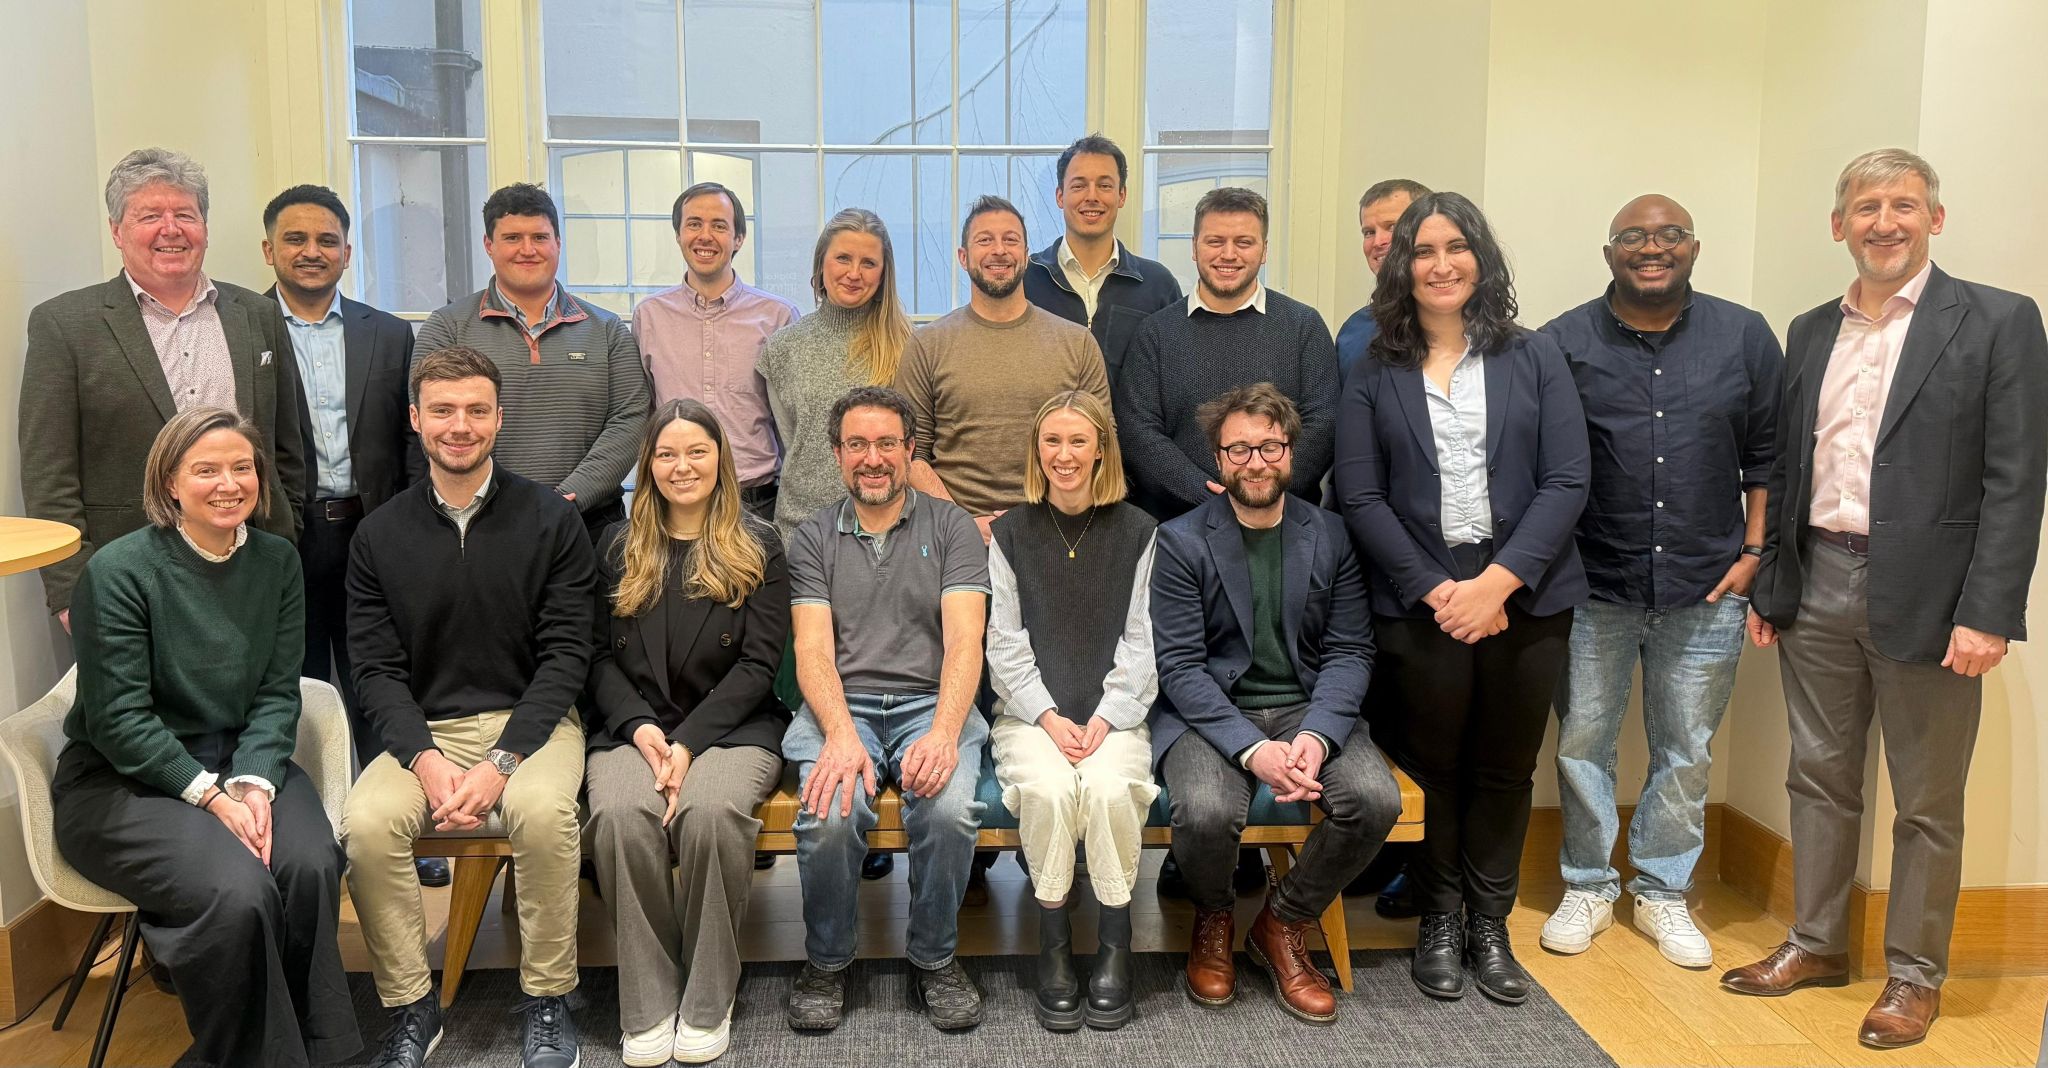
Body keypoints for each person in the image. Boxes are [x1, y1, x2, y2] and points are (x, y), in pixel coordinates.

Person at [1723, 149, 2048, 1050]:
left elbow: (2016, 481)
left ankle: (1914, 975)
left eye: (1905, 205)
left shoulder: (1997, 322)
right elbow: (1791, 465)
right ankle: (1819, 943)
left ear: (1935, 220)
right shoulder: (1809, 329)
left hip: (1937, 600)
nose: (1885, 222)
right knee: (1818, 776)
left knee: (1927, 802)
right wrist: (1777, 587)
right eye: (1866, 207)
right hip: (1818, 579)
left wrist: (1989, 610)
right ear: (1840, 226)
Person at [1333, 191, 1590, 1006]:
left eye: (1457, 247)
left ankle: (1491, 922)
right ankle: (1439, 920)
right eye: (1424, 249)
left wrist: (1498, 583)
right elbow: (1361, 495)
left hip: (1528, 592)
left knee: (1507, 768)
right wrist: (1441, 589)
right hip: (1421, 597)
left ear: (1482, 257)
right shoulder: (1375, 366)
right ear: (1401, 266)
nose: (1441, 264)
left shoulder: (1533, 355)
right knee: (1435, 767)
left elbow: (1567, 478)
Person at [52, 407, 358, 1068]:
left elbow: (281, 691)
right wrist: (212, 799)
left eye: (242, 467)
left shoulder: (276, 561)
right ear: (169, 484)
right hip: (121, 778)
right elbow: (117, 721)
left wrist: (250, 781)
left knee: (310, 864)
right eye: (206, 470)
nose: (229, 483)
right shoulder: (119, 571)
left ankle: (322, 1052)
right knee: (238, 890)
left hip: (240, 760)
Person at [1536, 194, 1783, 968]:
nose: (1653, 247)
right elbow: (1542, 466)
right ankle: (1586, 884)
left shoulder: (1743, 335)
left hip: (1707, 583)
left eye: (1669, 234)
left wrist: (1753, 551)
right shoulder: (1561, 343)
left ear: (1694, 248)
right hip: (1591, 584)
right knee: (1581, 743)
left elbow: (1769, 455)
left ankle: (1664, 893)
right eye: (1635, 237)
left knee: (1687, 749)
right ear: (1610, 253)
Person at [343, 346, 596, 1068]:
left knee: (544, 814)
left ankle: (547, 999)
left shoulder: (551, 520)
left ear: (499, 419)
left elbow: (566, 660)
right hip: (425, 732)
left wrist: (501, 763)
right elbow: (376, 670)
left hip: (533, 725)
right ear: (417, 419)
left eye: (477, 410)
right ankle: (409, 1006)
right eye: (445, 410)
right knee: (365, 824)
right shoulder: (378, 536)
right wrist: (423, 760)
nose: (461, 425)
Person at [1150, 382, 1403, 1024]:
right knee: (1204, 810)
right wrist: (1254, 749)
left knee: (1375, 800)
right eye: (1239, 449)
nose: (1255, 461)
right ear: (1217, 457)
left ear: (1290, 452)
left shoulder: (1333, 536)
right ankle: (1212, 918)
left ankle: (1283, 922)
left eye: (1269, 446)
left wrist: (1316, 737)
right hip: (1213, 714)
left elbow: (1349, 651)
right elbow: (1180, 666)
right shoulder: (1180, 541)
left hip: (1306, 705)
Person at [20, 147, 308, 632]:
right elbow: (50, 474)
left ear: (205, 227)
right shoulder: (64, 325)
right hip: (124, 576)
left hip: (250, 565)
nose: (171, 229)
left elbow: (286, 445)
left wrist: (286, 533)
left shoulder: (256, 314)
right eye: (149, 215)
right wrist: (71, 589)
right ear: (116, 231)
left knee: (253, 698)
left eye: (185, 215)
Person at [583, 399, 791, 1066]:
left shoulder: (759, 544)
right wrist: (643, 729)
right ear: (648, 465)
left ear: (721, 460)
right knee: (618, 814)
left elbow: (760, 663)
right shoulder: (616, 545)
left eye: (697, 451)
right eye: (667, 454)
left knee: (709, 812)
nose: (682, 466)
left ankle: (708, 997)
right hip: (632, 727)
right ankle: (646, 1004)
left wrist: (688, 745)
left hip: (732, 729)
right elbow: (596, 657)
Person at [781, 386, 991, 1033]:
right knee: (829, 816)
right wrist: (841, 735)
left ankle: (934, 958)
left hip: (934, 701)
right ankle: (827, 960)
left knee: (951, 810)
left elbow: (965, 641)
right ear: (838, 454)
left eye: (886, 444)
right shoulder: (815, 536)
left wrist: (946, 731)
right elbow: (812, 648)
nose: (873, 458)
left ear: (909, 449)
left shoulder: (951, 526)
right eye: (857, 445)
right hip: (842, 703)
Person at [986, 391, 1158, 1031]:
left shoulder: (1141, 532)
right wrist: (1050, 717)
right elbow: (1003, 642)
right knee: (1053, 790)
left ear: (1101, 450)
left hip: (1116, 715)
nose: (1064, 455)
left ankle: (1116, 946)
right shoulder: (1009, 533)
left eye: (1077, 441)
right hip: (1033, 718)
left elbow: (1145, 640)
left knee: (1112, 789)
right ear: (1038, 449)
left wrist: (1107, 717)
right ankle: (1053, 946)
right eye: (1052, 441)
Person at [259, 184, 422, 752]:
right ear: (268, 250)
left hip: (370, 532)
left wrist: (411, 528)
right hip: (280, 536)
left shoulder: (391, 333)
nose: (312, 251)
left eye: (327, 240)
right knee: (290, 684)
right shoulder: (242, 329)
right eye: (295, 239)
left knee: (376, 680)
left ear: (347, 253)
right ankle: (304, 817)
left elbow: (410, 441)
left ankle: (384, 816)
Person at [414, 182, 650, 544]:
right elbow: (437, 421)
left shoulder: (607, 331)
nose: (528, 250)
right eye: (512, 238)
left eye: (540, 237)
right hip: (480, 524)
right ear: (489, 246)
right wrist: (502, 503)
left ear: (558, 242)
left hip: (589, 525)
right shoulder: (448, 327)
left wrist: (564, 499)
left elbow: (630, 418)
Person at [1116, 186, 1338, 521]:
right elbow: (1139, 431)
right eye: (1215, 241)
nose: (1228, 254)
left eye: (1244, 242)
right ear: (1194, 247)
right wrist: (1209, 495)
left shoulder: (1303, 325)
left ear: (1264, 250)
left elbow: (1323, 422)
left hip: (1285, 524)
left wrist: (1261, 492)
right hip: (1179, 527)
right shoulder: (1156, 333)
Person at [898, 194, 1111, 541]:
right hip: (951, 538)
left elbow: (1102, 443)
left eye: (1010, 240)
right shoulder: (927, 344)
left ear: (1026, 256)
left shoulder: (1077, 343)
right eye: (985, 240)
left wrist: (1043, 517)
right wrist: (961, 525)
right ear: (963, 257)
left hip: (1056, 532)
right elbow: (909, 453)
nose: (999, 250)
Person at [634, 181, 799, 519]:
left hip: (755, 501)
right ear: (678, 235)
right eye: (693, 224)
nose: (704, 236)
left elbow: (793, 421)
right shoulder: (649, 317)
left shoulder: (778, 317)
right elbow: (642, 416)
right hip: (676, 502)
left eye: (719, 226)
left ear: (739, 238)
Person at [758, 208, 914, 546]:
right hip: (802, 531)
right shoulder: (783, 349)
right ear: (821, 264)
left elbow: (913, 449)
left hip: (887, 533)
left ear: (884, 273)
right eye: (843, 258)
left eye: (869, 263)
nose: (854, 273)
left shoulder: (907, 346)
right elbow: (792, 441)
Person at [1023, 134, 1184, 381]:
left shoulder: (1158, 286)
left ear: (1121, 196)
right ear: (1059, 196)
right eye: (1078, 185)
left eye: (1104, 185)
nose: (1092, 196)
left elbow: (1174, 379)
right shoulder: (1026, 280)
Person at [1335, 178, 1432, 382]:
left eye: (1393, 227)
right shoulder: (1353, 332)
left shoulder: (1460, 324)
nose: (1378, 242)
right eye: (1369, 232)